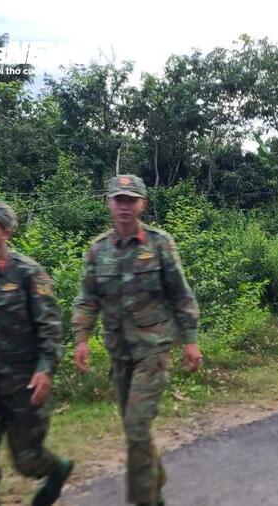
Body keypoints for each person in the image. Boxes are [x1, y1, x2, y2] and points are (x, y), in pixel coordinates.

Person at [72, 175, 202, 506]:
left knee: (137, 425)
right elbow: (87, 298)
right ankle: (154, 484)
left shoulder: (159, 244)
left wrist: (190, 340)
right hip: (119, 351)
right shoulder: (98, 250)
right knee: (135, 430)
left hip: (153, 347)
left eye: (131, 199)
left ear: (142, 203)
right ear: (109, 203)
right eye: (119, 199)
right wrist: (82, 338)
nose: (124, 205)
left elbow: (180, 294)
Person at [0, 200, 72, 506]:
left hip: (25, 383)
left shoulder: (27, 273)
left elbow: (50, 327)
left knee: (27, 462)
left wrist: (45, 369)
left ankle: (59, 470)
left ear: (6, 232)